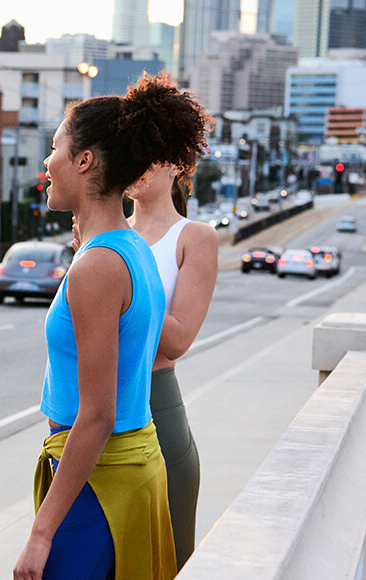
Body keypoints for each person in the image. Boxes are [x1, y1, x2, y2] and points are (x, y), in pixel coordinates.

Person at [14, 74, 207, 580]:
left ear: (84, 160)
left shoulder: (99, 266)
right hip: (125, 468)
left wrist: (41, 533)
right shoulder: (130, 246)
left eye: (55, 148)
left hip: (98, 483)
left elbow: (97, 416)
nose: (47, 163)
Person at [124, 165, 218, 567]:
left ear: (177, 163)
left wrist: (121, 280)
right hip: (92, 412)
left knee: (166, 565)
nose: (136, 164)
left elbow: (177, 340)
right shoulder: (106, 233)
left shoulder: (194, 237)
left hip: (156, 410)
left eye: (150, 153)